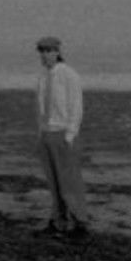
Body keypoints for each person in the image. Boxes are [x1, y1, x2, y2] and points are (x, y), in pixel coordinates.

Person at [32, 35, 90, 239]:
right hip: (47, 132)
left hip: (63, 132)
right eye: (42, 51)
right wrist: (41, 133)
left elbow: (76, 106)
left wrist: (70, 134)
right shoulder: (42, 77)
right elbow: (40, 108)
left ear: (57, 52)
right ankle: (58, 220)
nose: (45, 55)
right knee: (53, 181)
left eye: (49, 51)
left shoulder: (68, 75)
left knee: (70, 182)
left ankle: (79, 221)